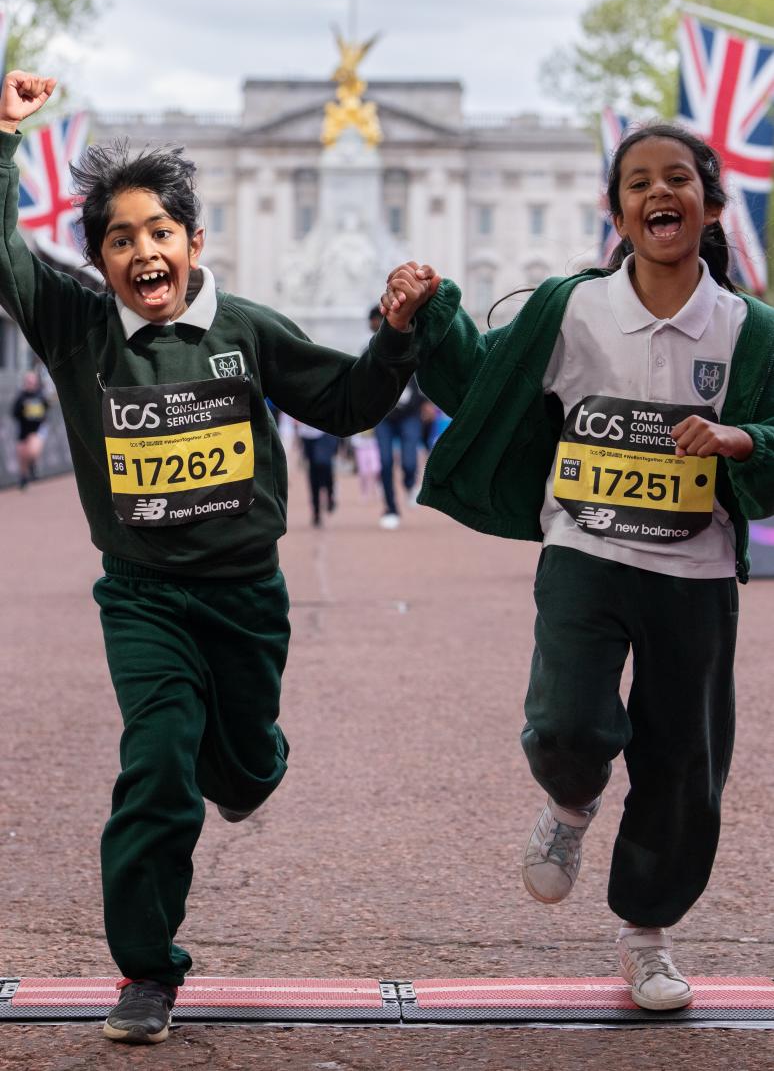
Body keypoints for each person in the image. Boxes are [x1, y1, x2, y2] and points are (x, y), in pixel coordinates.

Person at [0, 71, 431, 1045]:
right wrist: (3, 139)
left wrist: (396, 334)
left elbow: (351, 402)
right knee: (156, 763)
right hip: (144, 597)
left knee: (240, 772)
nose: (143, 250)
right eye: (120, 237)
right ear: (99, 259)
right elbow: (2, 255)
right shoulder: (76, 331)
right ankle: (147, 970)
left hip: (245, 597)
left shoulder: (246, 328)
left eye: (159, 231)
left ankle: (252, 762)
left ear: (195, 243)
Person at [382, 122, 774, 1012]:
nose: (658, 193)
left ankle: (647, 938)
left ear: (711, 205)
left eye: (678, 179)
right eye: (638, 182)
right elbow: (489, 387)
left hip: (696, 572)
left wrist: (742, 438)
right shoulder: (573, 307)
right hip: (585, 550)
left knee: (681, 763)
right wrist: (433, 314)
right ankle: (568, 805)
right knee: (564, 722)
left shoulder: (753, 330)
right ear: (618, 212)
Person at [367, 304, 425, 529]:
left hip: (410, 413)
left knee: (409, 461)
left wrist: (427, 404)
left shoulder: (412, 345)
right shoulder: (370, 349)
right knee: (385, 460)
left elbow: (424, 377)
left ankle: (410, 482)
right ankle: (390, 508)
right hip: (383, 416)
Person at [12, 367, 49, 488]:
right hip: (23, 430)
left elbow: (46, 409)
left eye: (33, 381)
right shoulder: (21, 397)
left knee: (32, 451)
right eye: (28, 381)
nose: (31, 384)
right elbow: (14, 413)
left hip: (37, 430)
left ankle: (33, 465)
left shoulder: (41, 396)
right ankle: (23, 478)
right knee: (22, 456)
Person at [297, 422, 338, 526]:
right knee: (313, 471)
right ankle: (316, 511)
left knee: (323, 463)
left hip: (325, 430)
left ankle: (330, 492)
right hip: (306, 433)